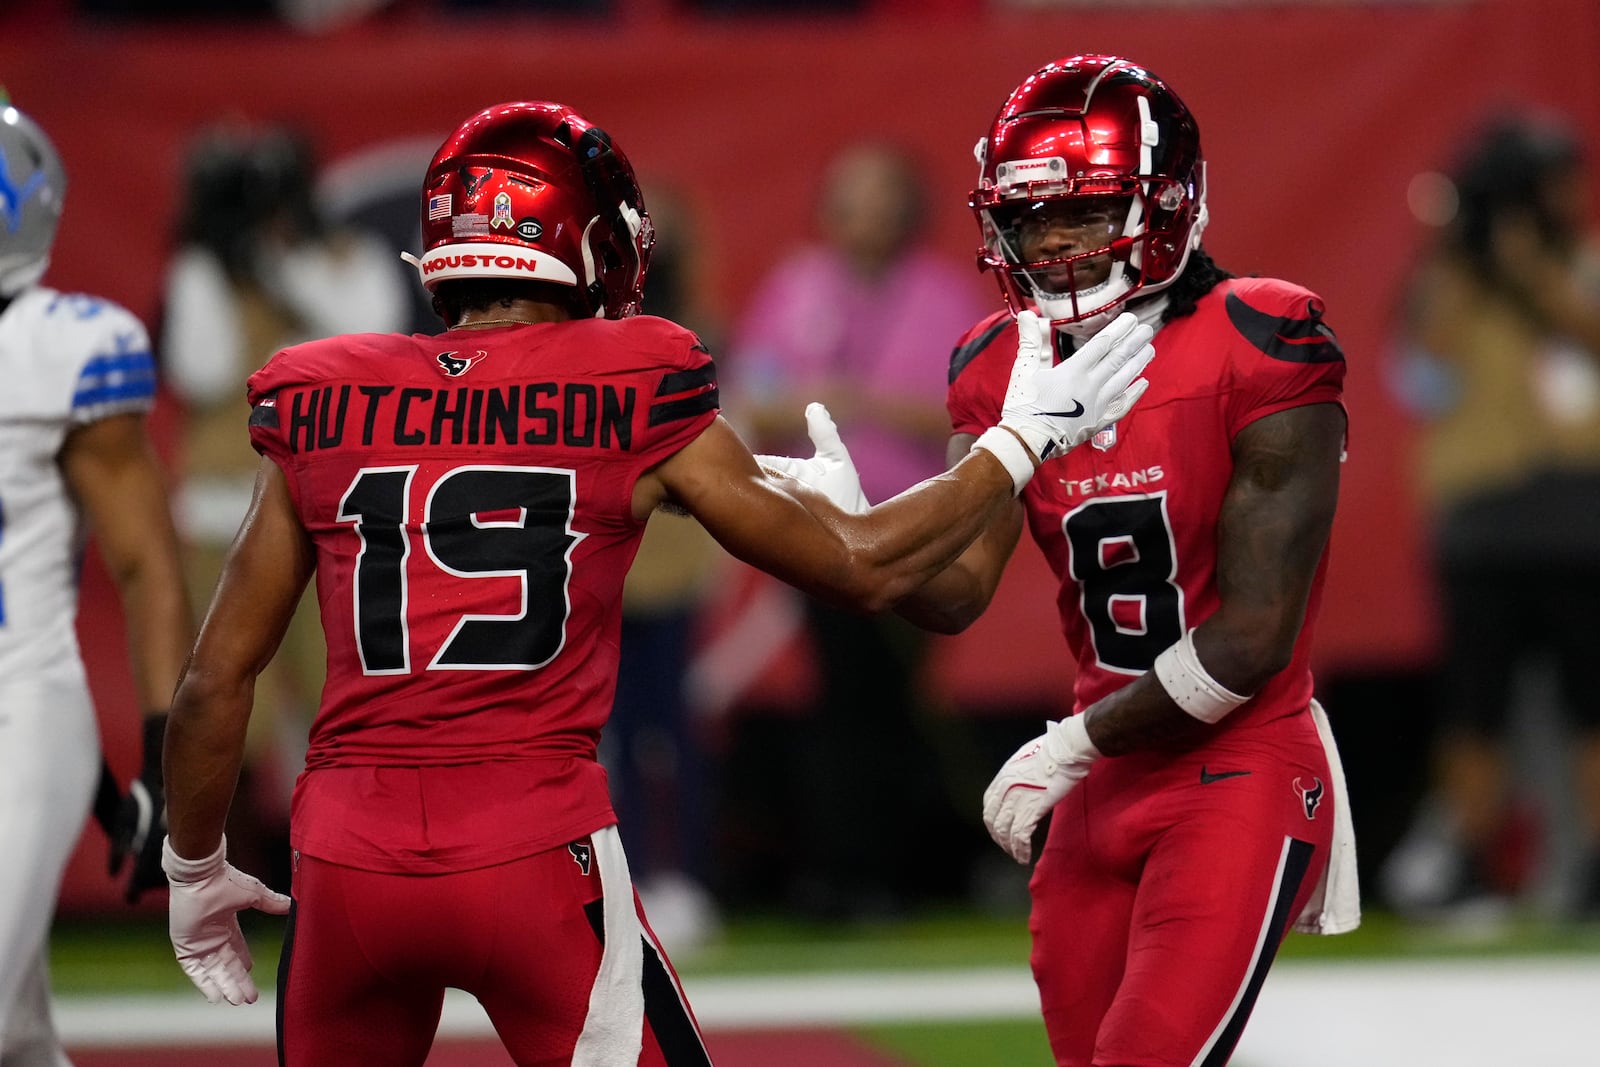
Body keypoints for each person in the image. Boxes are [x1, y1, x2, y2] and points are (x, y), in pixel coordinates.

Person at [156, 100, 1156, 1066]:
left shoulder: (321, 392)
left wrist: (192, 865)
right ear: (589, 239)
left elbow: (211, 684)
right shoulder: (629, 374)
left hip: (346, 860)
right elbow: (868, 563)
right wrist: (1027, 437)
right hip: (530, 849)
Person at [788, 56, 1361, 1066]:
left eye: (1082, 214)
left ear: (1167, 204)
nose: (1051, 245)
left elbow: (1249, 642)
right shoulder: (994, 360)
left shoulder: (1260, 338)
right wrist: (849, 539)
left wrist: (1069, 745)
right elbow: (956, 591)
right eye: (1028, 220)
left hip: (1230, 766)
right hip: (1097, 786)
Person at [725, 140, 990, 918]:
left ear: (908, 210)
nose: (864, 215)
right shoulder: (795, 286)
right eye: (850, 197)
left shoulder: (940, 295)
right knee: (837, 698)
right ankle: (840, 871)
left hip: (914, 525)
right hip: (819, 525)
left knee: (894, 699)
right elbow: (755, 392)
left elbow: (968, 406)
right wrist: (815, 396)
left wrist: (861, 402)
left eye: (880, 198)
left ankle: (896, 870)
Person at [159, 123, 410, 892]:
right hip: (219, 511)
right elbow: (199, 370)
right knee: (231, 698)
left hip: (331, 509)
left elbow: (376, 345)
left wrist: (282, 281)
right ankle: (222, 871)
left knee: (337, 696)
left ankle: (333, 865)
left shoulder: (346, 261)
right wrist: (236, 273)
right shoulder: (204, 270)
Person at [0, 101, 194, 1062]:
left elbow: (145, 558)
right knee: (20, 1035)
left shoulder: (60, 348)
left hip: (16, 704)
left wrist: (165, 751)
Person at [1380, 112, 1600, 921]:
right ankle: (1467, 860)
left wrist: (1533, 278)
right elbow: (1419, 371)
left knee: (1592, 700)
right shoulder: (1453, 277)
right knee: (1476, 703)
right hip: (1483, 523)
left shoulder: (1581, 267)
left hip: (1581, 514)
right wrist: (1464, 260)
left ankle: (1592, 868)